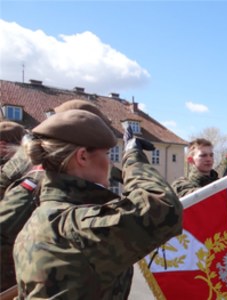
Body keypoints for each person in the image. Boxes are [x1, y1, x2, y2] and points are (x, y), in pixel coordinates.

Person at [12, 110, 183, 298]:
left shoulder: (37, 220)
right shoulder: (75, 226)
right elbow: (164, 208)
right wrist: (133, 159)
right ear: (83, 157)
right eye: (108, 153)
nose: (110, 161)